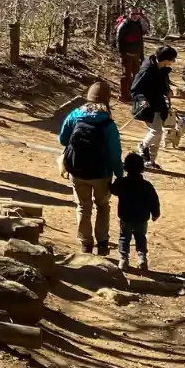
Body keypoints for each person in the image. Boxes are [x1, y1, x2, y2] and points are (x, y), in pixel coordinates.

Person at [58, 81, 124, 255]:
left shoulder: (75, 115)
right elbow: (114, 153)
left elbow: (63, 140)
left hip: (77, 171)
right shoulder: (108, 124)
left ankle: (86, 244)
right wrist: (119, 174)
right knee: (102, 206)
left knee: (83, 207)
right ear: (107, 100)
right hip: (102, 174)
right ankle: (102, 243)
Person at [110, 152, 160, 271]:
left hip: (125, 217)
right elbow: (154, 201)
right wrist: (155, 214)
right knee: (141, 237)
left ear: (125, 168)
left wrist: (110, 181)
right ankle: (142, 258)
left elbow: (113, 190)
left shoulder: (121, 183)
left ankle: (123, 259)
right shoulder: (147, 186)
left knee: (124, 238)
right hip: (141, 218)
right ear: (142, 168)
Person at [129, 45, 177, 167]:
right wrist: (142, 100)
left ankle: (151, 160)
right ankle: (142, 146)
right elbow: (135, 89)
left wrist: (167, 90)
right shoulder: (147, 69)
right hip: (146, 106)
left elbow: (162, 84)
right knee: (156, 132)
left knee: (158, 134)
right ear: (166, 59)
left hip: (158, 104)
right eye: (172, 59)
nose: (173, 62)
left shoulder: (162, 68)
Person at [113, 6, 149, 102]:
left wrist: (141, 55)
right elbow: (118, 40)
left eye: (137, 14)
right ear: (128, 14)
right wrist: (121, 54)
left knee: (137, 75)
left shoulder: (138, 24)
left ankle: (132, 93)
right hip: (126, 54)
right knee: (126, 76)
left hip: (136, 54)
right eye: (132, 14)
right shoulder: (124, 25)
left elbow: (140, 40)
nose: (135, 16)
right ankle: (123, 95)